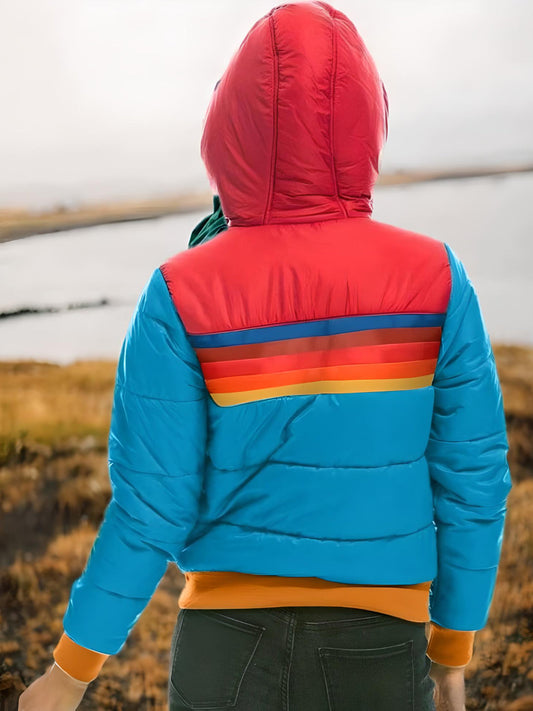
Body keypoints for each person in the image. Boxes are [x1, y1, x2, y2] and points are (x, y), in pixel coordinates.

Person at [18, 2, 512, 710]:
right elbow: (473, 480)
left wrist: (71, 671)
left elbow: (149, 505)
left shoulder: (179, 290)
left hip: (223, 650)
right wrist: (452, 648)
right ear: (366, 123)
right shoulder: (436, 278)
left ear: (230, 125)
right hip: (380, 640)